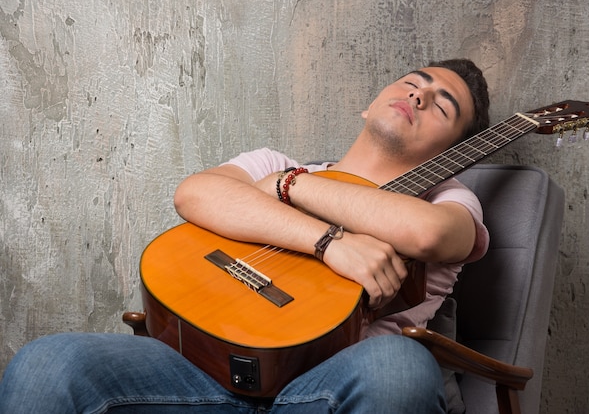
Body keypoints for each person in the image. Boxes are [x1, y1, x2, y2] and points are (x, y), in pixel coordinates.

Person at [0, 59, 490, 413]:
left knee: (400, 366)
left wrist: (284, 193)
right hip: (195, 374)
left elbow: (425, 235)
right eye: (412, 83)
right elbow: (197, 195)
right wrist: (326, 237)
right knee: (46, 363)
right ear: (368, 106)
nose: (418, 97)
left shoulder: (449, 202)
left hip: (329, 387)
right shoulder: (277, 166)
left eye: (441, 107)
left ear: (452, 154)